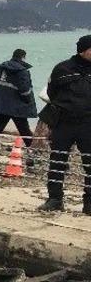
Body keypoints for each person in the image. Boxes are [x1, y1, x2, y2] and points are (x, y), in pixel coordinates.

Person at [39, 34, 91, 214]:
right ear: (83, 50)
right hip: (64, 123)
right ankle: (55, 199)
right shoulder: (62, 69)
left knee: (90, 164)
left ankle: (89, 203)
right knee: (57, 161)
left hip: (88, 124)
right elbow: (51, 92)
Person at [0, 49, 37, 164]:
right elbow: (25, 90)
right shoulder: (22, 71)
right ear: (23, 57)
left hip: (0, 104)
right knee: (24, 129)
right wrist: (28, 101)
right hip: (17, 107)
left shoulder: (0, 68)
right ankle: (32, 150)